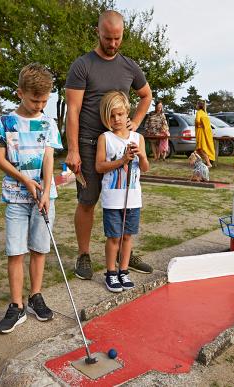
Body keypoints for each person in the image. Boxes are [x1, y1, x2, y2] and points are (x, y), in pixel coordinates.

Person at [65, 10, 153, 280]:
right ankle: (84, 255)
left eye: (117, 38)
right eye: (107, 38)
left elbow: (146, 95)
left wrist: (134, 124)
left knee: (124, 201)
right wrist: (73, 149)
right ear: (97, 32)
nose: (112, 43)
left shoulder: (129, 66)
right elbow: (73, 111)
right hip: (91, 144)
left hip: (121, 145)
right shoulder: (82, 65)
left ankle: (124, 252)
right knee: (88, 201)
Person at [0, 63, 63, 334]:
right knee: (15, 251)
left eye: (44, 100)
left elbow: (48, 157)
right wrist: (24, 180)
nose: (39, 105)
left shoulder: (48, 122)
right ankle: (16, 305)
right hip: (16, 197)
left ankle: (35, 297)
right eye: (35, 99)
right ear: (20, 92)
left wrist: (45, 191)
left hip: (44, 198)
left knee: (40, 249)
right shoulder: (6, 122)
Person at [96, 91, 149, 292]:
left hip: (133, 199)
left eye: (120, 114)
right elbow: (99, 167)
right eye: (112, 115)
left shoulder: (138, 138)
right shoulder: (105, 138)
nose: (116, 119)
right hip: (112, 199)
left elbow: (145, 168)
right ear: (106, 116)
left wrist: (142, 155)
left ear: (128, 113)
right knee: (114, 237)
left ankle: (123, 270)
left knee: (127, 236)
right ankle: (111, 272)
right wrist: (121, 161)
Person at [195, 100, 215, 168]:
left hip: (200, 132)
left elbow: (198, 121)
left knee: (200, 148)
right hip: (204, 132)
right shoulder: (204, 113)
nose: (196, 106)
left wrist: (199, 125)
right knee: (198, 149)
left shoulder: (198, 112)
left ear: (199, 106)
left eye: (197, 105)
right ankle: (198, 164)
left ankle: (208, 163)